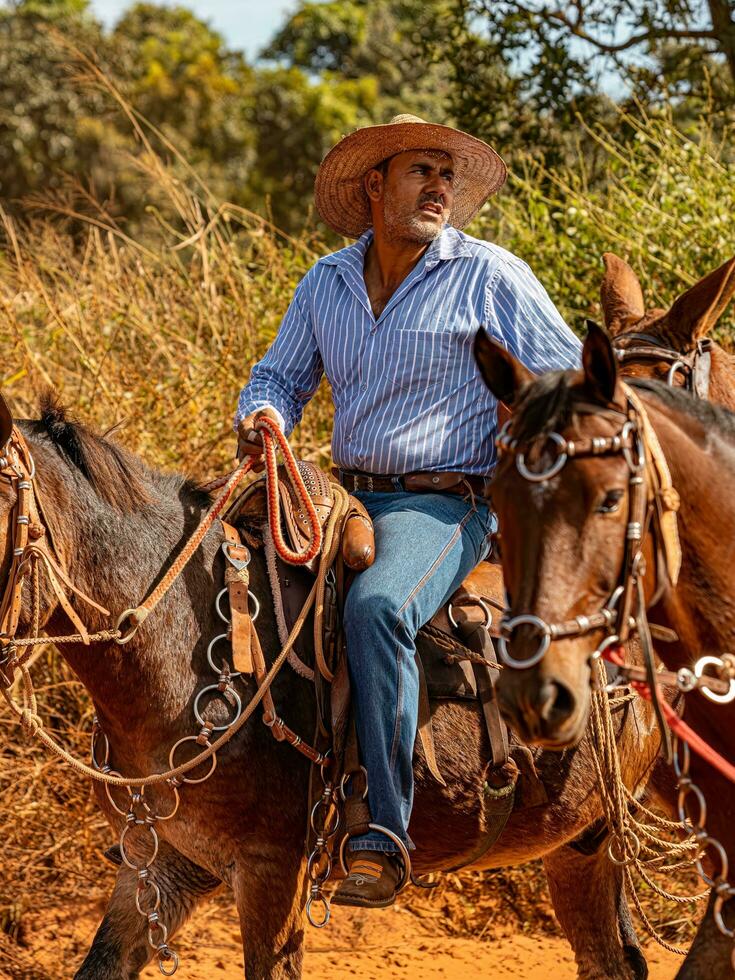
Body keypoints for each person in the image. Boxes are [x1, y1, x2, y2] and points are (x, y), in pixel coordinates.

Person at [234, 114, 581, 909]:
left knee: (380, 606)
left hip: (447, 503)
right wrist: (264, 416)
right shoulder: (325, 281)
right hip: (340, 492)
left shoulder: (491, 276)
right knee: (221, 588)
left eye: (447, 177)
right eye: (421, 172)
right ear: (374, 186)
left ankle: (381, 834)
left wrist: (523, 445)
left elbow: (566, 378)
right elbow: (280, 379)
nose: (438, 189)